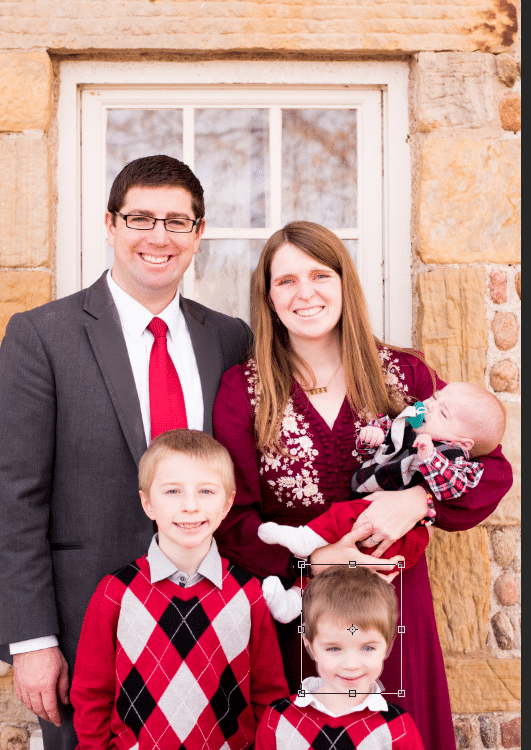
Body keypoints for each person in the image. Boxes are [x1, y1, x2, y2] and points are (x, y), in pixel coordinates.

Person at [212, 221, 513, 750]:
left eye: (320, 275)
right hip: (298, 616)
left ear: (345, 283)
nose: (305, 293)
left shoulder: (403, 375)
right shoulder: (245, 389)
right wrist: (314, 561)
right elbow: (233, 520)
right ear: (268, 299)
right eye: (285, 281)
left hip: (391, 609)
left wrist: (416, 500)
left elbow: (490, 470)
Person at [0, 156, 253, 750]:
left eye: (177, 222)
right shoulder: (42, 336)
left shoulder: (230, 337)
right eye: (140, 219)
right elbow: (13, 495)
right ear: (110, 224)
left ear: (198, 233)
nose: (158, 237)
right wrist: (33, 640)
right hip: (85, 626)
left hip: (213, 620)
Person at [71, 429, 288, 749]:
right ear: (147, 503)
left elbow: (269, 697)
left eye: (206, 491)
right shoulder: (114, 593)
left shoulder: (249, 594)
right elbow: (91, 697)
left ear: (228, 503)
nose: (190, 506)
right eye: (173, 491)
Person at [257, 381, 505, 623]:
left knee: (345, 515)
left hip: (400, 539)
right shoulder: (414, 425)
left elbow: (455, 485)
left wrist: (423, 484)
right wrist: (374, 437)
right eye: (436, 396)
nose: (430, 405)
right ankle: (292, 603)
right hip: (366, 514)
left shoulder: (452, 455)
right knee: (334, 570)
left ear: (463, 443)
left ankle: (305, 538)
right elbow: (383, 449)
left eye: (442, 412)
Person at [255, 566, 424, 749]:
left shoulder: (398, 729)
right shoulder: (279, 719)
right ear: (310, 645)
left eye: (367, 648)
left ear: (388, 646)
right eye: (334, 648)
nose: (351, 665)